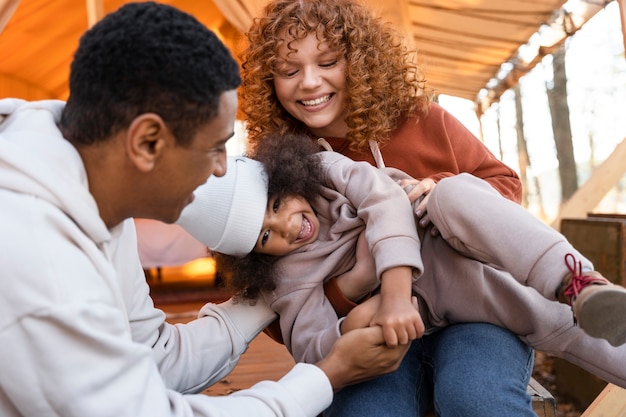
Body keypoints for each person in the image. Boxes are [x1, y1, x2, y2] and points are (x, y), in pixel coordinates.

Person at [0, 3, 409, 416]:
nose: (220, 169)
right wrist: (329, 373)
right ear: (147, 142)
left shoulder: (90, 188)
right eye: (215, 147)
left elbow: (155, 359)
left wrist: (289, 280)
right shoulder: (36, 260)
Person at [237, 0, 623, 415]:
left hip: (474, 309)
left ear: (359, 59)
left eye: (328, 62)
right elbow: (279, 307)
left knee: (477, 398)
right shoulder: (280, 169)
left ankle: (579, 284)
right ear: (269, 82)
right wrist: (350, 293)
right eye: (289, 71)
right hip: (380, 326)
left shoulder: (423, 119)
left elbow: (506, 188)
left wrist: (436, 188)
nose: (310, 83)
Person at [178, 133, 626, 390]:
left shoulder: (325, 172)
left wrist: (392, 292)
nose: (286, 228)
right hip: (445, 292)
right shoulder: (286, 279)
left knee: (454, 191)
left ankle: (578, 281)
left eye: (277, 203)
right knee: (552, 323)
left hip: (438, 224)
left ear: (285, 175)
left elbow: (385, 199)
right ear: (255, 258)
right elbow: (312, 346)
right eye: (264, 237)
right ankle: (578, 309)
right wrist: (361, 309)